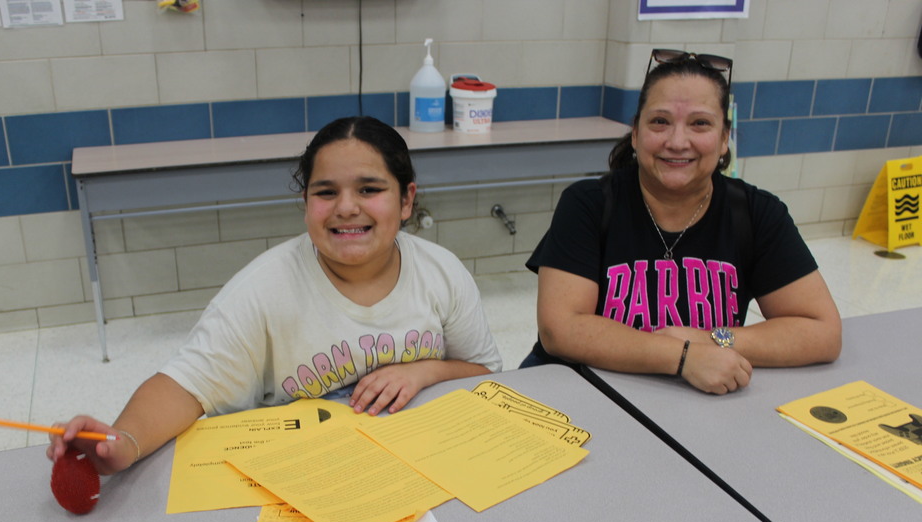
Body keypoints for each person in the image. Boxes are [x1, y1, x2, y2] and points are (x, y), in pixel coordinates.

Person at [48, 116, 502, 474]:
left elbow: (485, 373)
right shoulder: (262, 290)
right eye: (326, 192)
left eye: (369, 189)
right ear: (306, 204)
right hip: (302, 473)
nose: (347, 207)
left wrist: (426, 370)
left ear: (406, 200)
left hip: (418, 462)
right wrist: (122, 444)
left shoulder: (442, 273)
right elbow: (183, 388)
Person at [522, 49, 841, 395]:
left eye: (699, 123)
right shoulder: (589, 204)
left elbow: (822, 333)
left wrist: (711, 340)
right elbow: (561, 330)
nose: (676, 142)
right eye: (660, 121)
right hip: (587, 390)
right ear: (635, 133)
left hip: (698, 401)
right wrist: (683, 357)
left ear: (724, 138)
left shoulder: (756, 213)